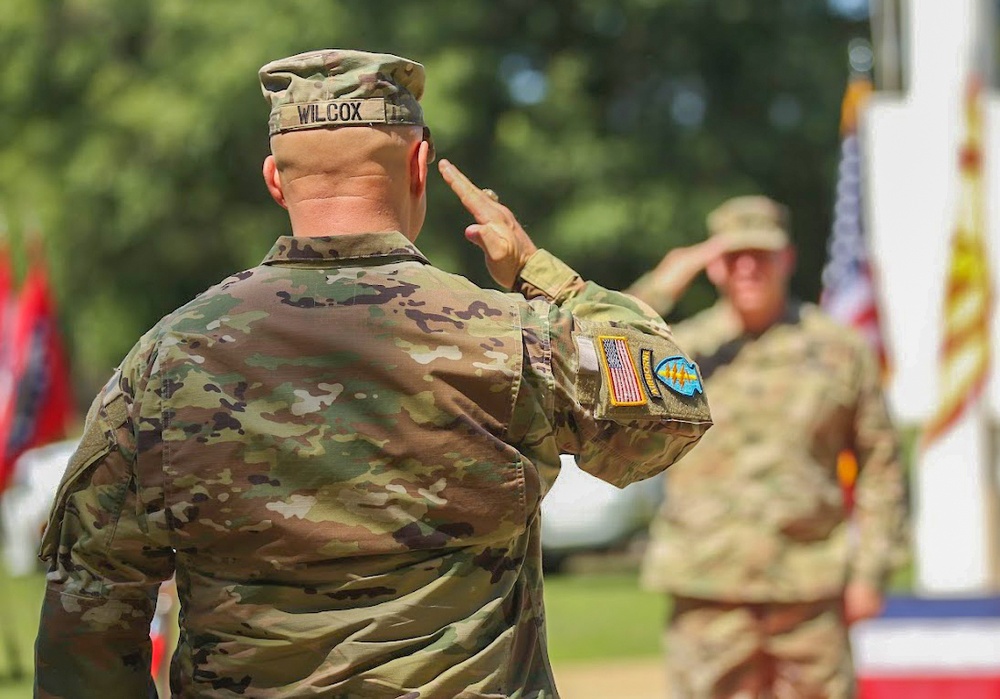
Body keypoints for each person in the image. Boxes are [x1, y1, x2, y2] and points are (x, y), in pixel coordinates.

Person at [35, 49, 712, 698]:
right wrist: (543, 276)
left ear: (275, 179)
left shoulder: (167, 359)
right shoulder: (511, 339)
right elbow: (669, 411)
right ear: (419, 164)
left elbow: (90, 605)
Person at [631, 196, 907, 699]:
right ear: (713, 265)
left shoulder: (839, 350)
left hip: (808, 587)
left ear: (788, 259)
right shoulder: (680, 350)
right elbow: (596, 358)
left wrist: (871, 570)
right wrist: (663, 285)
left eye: (761, 254)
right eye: (734, 256)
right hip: (707, 587)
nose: (748, 268)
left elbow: (881, 465)